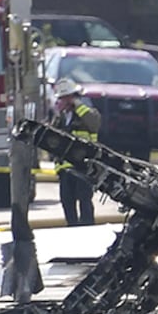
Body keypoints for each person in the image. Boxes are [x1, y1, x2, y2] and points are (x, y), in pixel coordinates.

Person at [52, 79, 101, 226]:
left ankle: (87, 226)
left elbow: (94, 123)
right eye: (60, 98)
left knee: (84, 198)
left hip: (83, 167)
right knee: (67, 200)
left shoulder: (87, 114)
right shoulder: (60, 118)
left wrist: (78, 106)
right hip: (65, 169)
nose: (62, 101)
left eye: (65, 97)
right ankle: (72, 226)